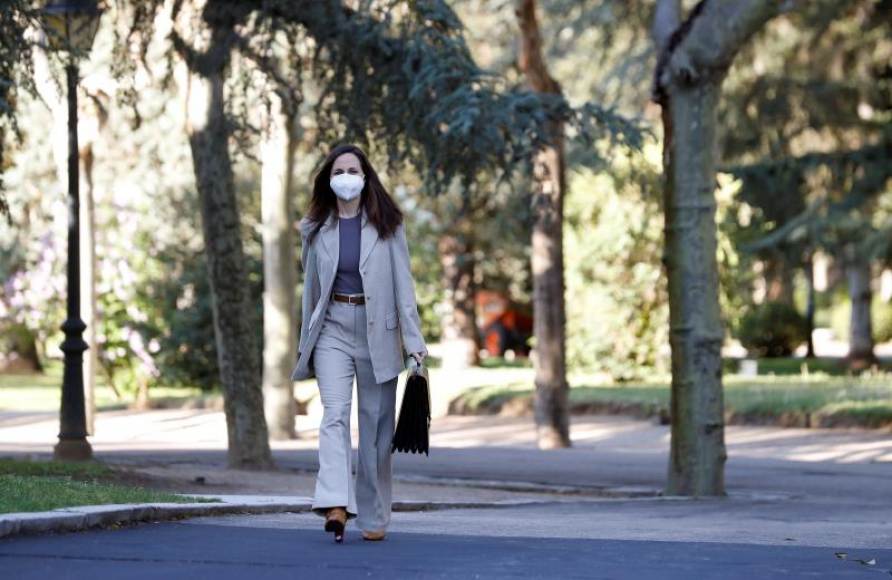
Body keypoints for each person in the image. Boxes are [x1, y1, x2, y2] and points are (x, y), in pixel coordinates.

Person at [290, 143, 428, 543]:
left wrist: (414, 342)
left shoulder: (389, 224)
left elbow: (405, 286)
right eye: (338, 171)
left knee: (376, 429)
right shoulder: (314, 227)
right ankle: (335, 503)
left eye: (353, 170)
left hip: (378, 331)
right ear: (329, 180)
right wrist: (307, 339)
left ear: (365, 176)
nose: (345, 177)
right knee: (334, 414)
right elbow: (310, 289)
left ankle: (373, 515)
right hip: (333, 325)